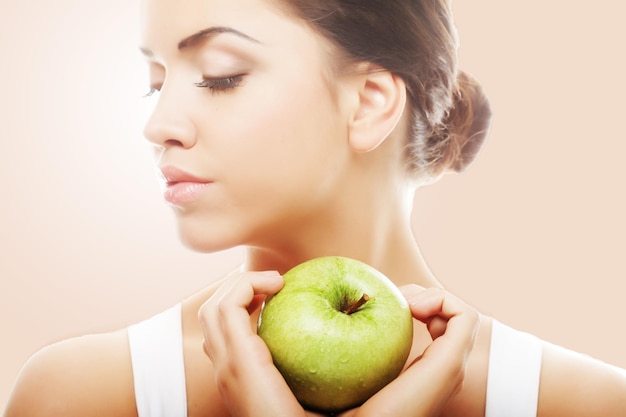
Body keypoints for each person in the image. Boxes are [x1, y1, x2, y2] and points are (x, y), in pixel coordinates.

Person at [4, 0, 626, 416]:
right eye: (156, 81)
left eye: (220, 75)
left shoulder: (588, 404)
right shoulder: (78, 394)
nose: (158, 123)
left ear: (369, 103)